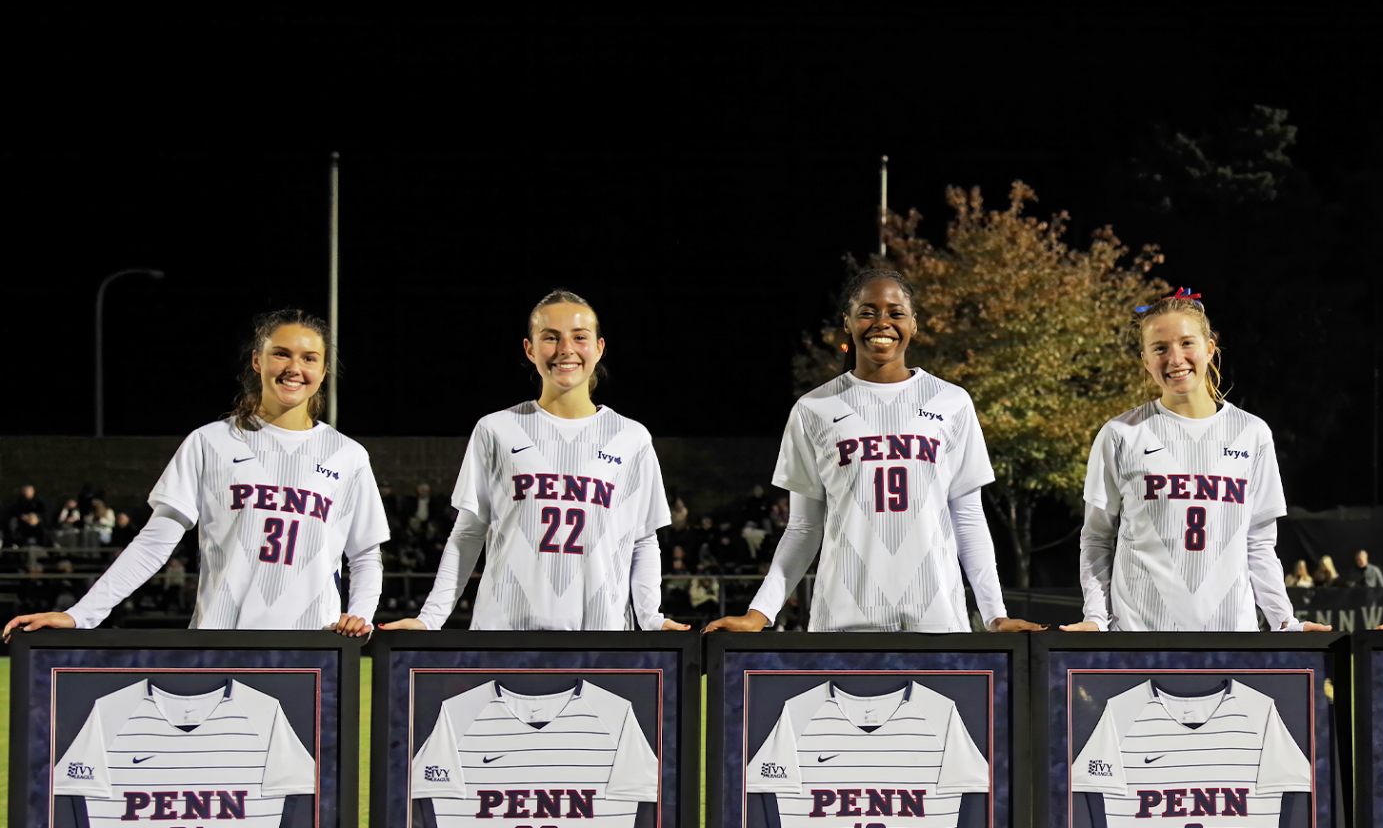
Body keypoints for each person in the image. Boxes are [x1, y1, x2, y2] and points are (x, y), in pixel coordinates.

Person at [4, 311, 387, 640]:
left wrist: (362, 617)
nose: (294, 368)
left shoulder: (348, 455)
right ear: (258, 360)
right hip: (220, 642)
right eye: (281, 354)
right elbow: (154, 543)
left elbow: (366, 556)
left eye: (309, 358)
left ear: (323, 370)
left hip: (317, 647)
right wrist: (81, 615)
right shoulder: (210, 442)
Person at [705, 267, 1038, 634]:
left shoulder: (952, 402)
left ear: (914, 324)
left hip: (938, 621)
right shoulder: (813, 409)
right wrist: (759, 613)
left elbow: (968, 518)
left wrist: (994, 614)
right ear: (847, 323)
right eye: (867, 311)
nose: (882, 322)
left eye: (896, 313)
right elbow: (803, 528)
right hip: (842, 622)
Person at [380, 289, 687, 633]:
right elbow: (467, 534)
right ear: (529, 349)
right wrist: (430, 618)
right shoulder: (496, 429)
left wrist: (652, 618)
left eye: (579, 337)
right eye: (550, 338)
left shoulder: (632, 438)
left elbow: (643, 540)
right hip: (504, 635)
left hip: (603, 636)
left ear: (599, 348)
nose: (565, 349)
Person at [1062, 288, 1329, 633]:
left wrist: (1284, 622)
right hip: (1137, 644)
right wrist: (1096, 619)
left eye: (1187, 343)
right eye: (1160, 348)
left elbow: (1259, 544)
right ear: (1145, 360)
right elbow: (1096, 539)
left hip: (1233, 642)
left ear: (1209, 348)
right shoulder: (1120, 434)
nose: (1175, 359)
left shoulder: (1252, 433)